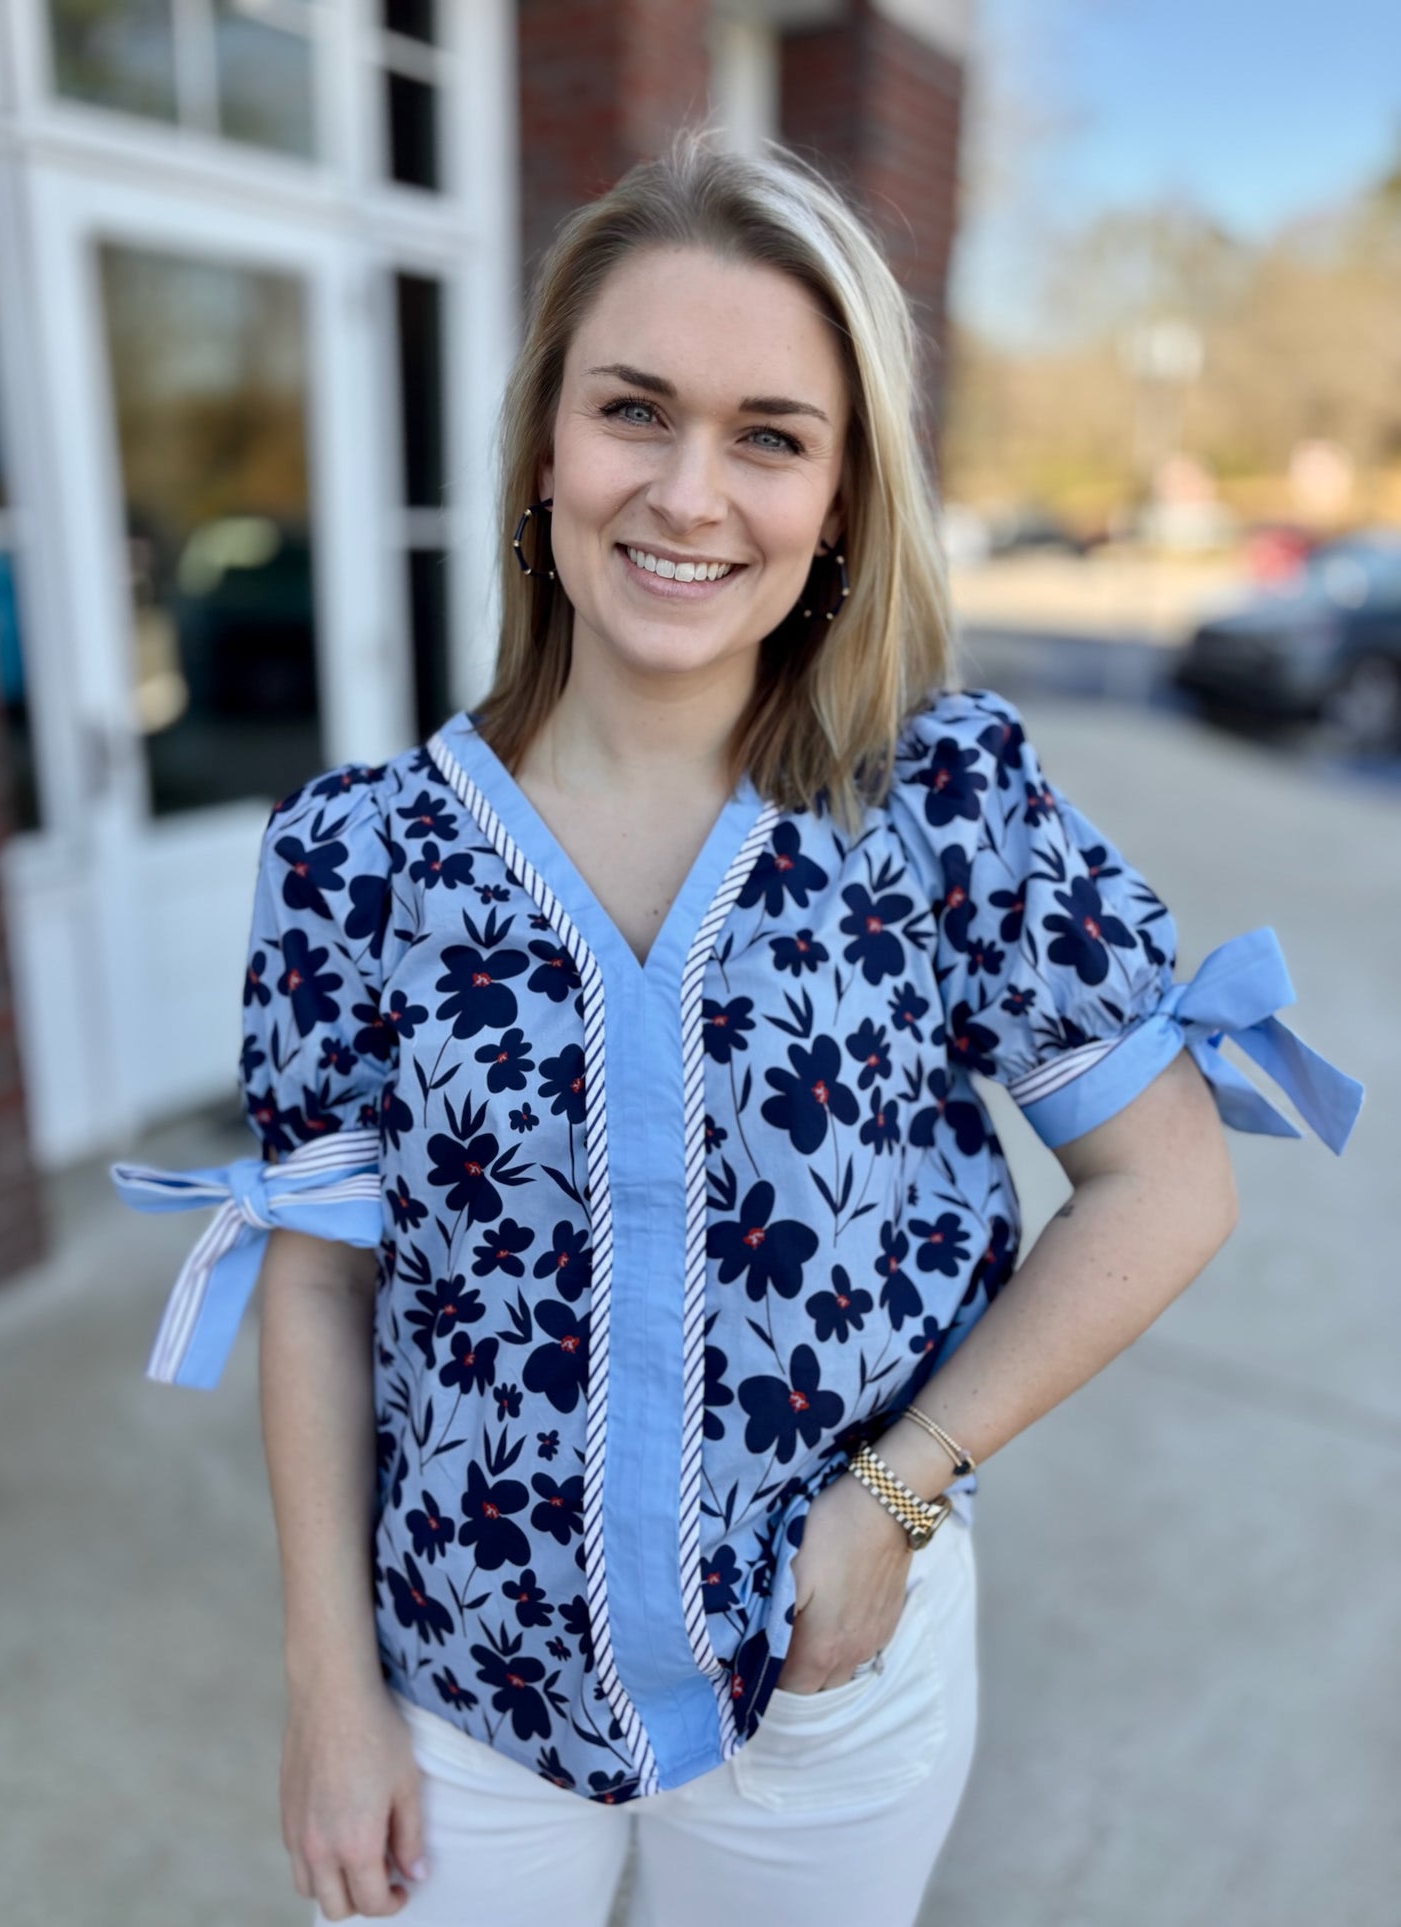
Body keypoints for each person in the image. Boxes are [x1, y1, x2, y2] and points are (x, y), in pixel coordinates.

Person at [113, 133, 1363, 1927]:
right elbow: (321, 1279)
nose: (689, 495)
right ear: (545, 443)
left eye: (770, 435)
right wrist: (329, 1688)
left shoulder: (934, 803)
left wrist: (898, 1495)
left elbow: (1163, 1183)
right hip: (460, 1690)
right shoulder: (354, 858)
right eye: (636, 411)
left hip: (834, 1693)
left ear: (841, 500)